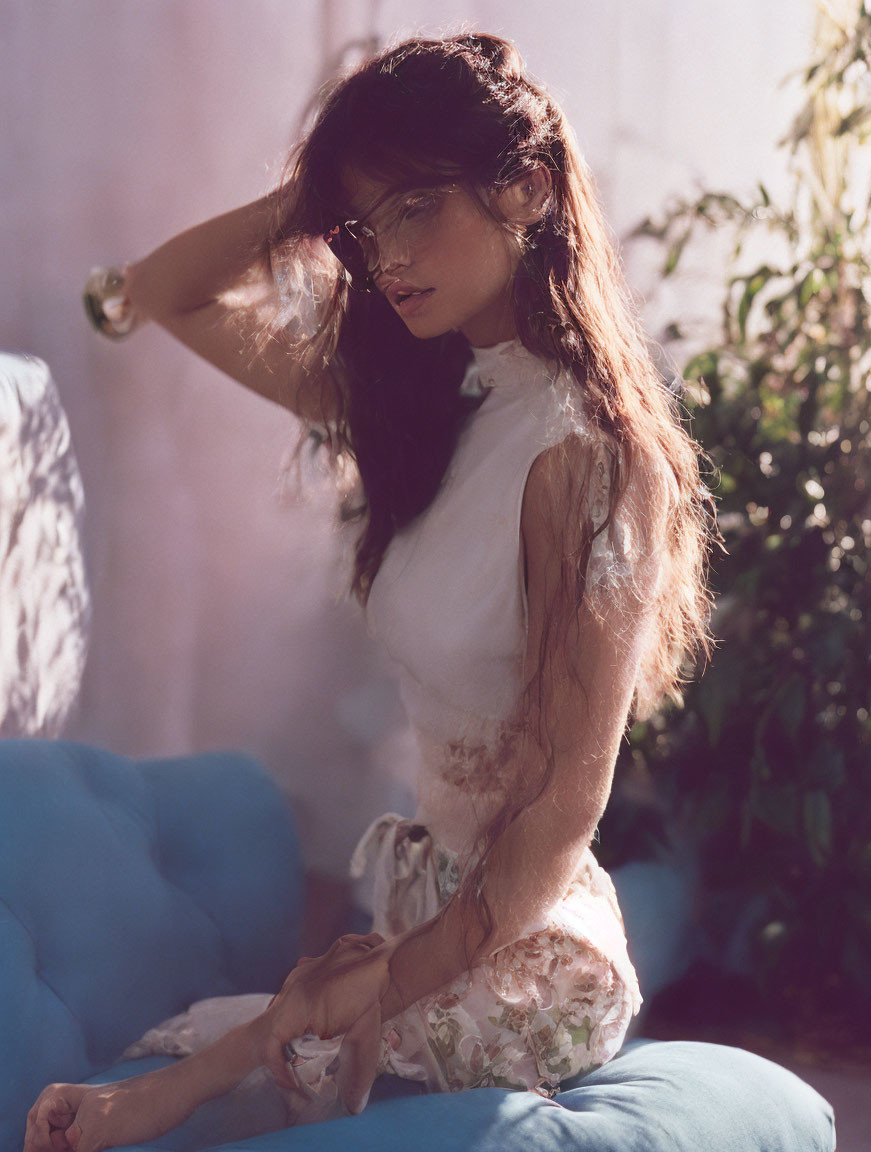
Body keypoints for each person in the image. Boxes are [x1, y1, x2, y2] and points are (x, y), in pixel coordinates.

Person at [25, 31, 717, 1152]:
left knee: (234, 1053)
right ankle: (193, 1079)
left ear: (527, 190)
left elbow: (557, 812)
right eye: (365, 223)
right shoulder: (424, 408)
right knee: (247, 1037)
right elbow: (166, 291)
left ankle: (185, 1087)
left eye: (416, 208)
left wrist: (381, 979)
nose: (384, 255)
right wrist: (314, 195)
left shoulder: (580, 452)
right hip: (421, 916)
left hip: (524, 950)